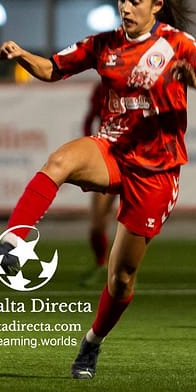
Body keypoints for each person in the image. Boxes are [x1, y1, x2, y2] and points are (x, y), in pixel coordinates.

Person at [0, 0, 196, 379]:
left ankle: (91, 344)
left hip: (157, 171)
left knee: (121, 278)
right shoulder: (103, 45)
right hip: (112, 149)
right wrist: (23, 56)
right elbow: (53, 67)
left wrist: (193, 81)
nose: (125, 7)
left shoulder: (179, 44)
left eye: (134, 0)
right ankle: (12, 242)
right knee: (59, 161)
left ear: (157, 5)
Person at [79, 82, 117, 288]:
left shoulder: (138, 84)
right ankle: (101, 264)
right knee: (97, 222)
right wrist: (92, 145)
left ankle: (124, 270)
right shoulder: (101, 89)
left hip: (136, 157)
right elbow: (89, 119)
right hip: (108, 157)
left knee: (133, 220)